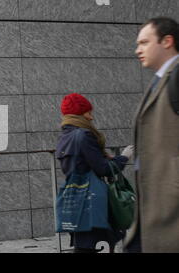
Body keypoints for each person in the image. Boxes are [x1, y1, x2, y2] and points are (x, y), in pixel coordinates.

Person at [126, 17, 179, 253]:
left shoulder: (176, 78)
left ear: (167, 41)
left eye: (145, 42)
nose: (138, 49)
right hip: (154, 204)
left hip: (170, 205)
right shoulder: (160, 80)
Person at [56, 93, 134, 253]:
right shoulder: (84, 135)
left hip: (76, 199)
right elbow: (103, 169)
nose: (91, 118)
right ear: (79, 113)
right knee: (100, 243)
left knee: (84, 246)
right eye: (88, 113)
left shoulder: (64, 137)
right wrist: (124, 157)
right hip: (93, 200)